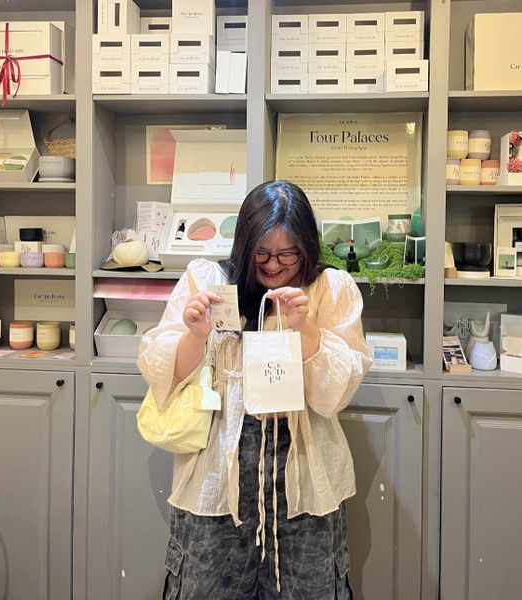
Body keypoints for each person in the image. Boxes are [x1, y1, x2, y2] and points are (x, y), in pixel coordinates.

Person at [138, 180, 372, 599]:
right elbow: (161, 374)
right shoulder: (208, 280)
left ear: (307, 248)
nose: (273, 265)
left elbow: (336, 394)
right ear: (244, 244)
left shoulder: (331, 289)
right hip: (218, 475)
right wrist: (195, 335)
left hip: (304, 479)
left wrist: (305, 330)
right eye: (261, 253)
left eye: (287, 254)